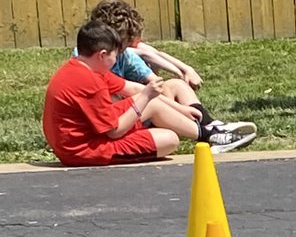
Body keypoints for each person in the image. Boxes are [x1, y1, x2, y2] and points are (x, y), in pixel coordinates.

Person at [43, 21, 256, 167]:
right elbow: (114, 132)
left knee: (150, 102)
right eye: (116, 55)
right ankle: (210, 135)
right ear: (102, 54)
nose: (117, 60)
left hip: (85, 137)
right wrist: (146, 97)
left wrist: (180, 108)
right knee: (170, 140)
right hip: (84, 150)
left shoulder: (82, 68)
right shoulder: (89, 82)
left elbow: (133, 89)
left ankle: (210, 134)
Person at [86, 0, 255, 143]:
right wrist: (178, 108)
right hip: (118, 119)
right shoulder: (90, 59)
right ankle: (208, 135)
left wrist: (180, 75)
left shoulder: (122, 55)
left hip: (132, 109)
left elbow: (150, 81)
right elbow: (134, 91)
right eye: (123, 42)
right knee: (144, 99)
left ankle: (210, 124)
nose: (126, 46)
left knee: (174, 85)